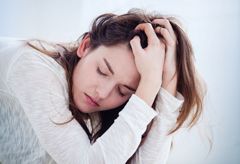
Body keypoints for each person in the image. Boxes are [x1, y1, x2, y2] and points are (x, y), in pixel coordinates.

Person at [0, 8, 206, 164]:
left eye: (124, 91)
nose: (102, 93)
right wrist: (149, 85)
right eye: (102, 71)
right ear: (86, 46)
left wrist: (165, 91)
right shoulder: (32, 66)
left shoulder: (103, 108)